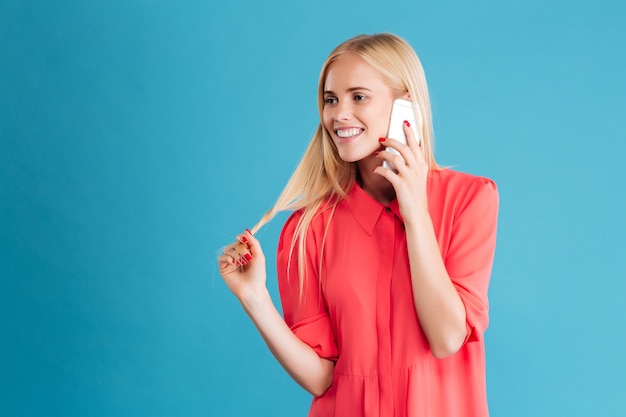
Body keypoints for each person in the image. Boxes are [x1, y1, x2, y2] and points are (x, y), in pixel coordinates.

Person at [218, 33, 499, 417]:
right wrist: (255, 299)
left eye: (359, 97)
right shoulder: (308, 229)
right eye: (331, 100)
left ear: (407, 108)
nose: (338, 114)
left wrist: (414, 209)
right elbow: (320, 378)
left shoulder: (469, 200)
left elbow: (447, 337)